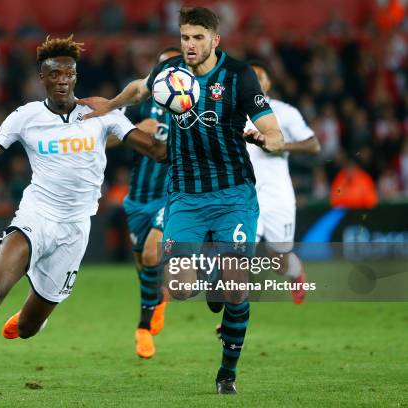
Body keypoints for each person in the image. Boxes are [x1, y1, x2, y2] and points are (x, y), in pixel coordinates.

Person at [0, 35, 166, 401]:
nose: (63, 79)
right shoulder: (25, 116)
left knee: (29, 328)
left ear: (76, 77)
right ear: (42, 78)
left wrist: (192, 137)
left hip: (75, 230)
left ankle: (32, 314)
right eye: (55, 73)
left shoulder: (102, 113)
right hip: (36, 216)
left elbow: (156, 151)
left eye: (69, 73)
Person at [79, 7, 284, 394]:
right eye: (185, 37)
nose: (190, 45)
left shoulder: (237, 76)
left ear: (214, 41)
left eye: (198, 38)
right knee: (181, 287)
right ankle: (210, 273)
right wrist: (110, 105)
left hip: (233, 194)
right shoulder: (171, 73)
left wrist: (264, 139)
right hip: (185, 196)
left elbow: (274, 132)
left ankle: (227, 372)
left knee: (236, 286)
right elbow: (140, 88)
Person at [120, 47, 180, 359]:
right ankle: (160, 296)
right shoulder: (141, 103)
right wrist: (131, 133)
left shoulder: (191, 106)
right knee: (143, 265)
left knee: (153, 251)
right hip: (137, 199)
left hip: (170, 193)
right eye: (162, 67)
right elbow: (108, 137)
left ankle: (143, 327)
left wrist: (162, 138)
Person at [244, 60, 321, 303]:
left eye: (260, 76)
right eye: (250, 77)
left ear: (269, 83)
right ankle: (233, 319)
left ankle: (296, 272)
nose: (255, 81)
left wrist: (278, 145)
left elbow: (313, 144)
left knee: (279, 261)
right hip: (243, 196)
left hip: (277, 196)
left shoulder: (285, 112)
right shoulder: (229, 113)